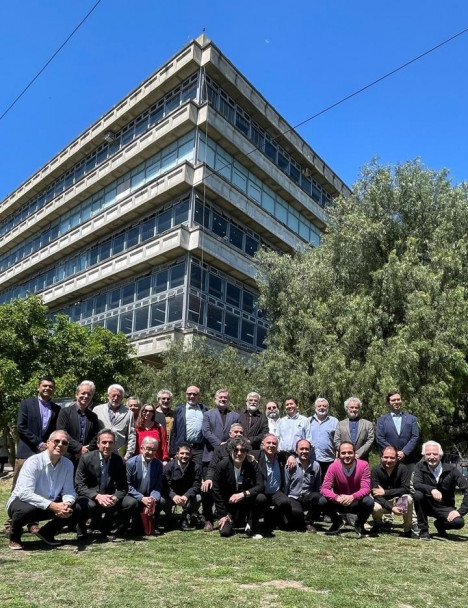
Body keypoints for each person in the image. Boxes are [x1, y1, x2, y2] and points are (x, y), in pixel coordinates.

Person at [6, 430, 78, 550]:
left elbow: (69, 490)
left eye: (64, 442)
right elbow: (25, 493)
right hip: (23, 502)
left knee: (76, 507)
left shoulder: (68, 464)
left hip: (49, 503)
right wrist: (52, 505)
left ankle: (47, 532)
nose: (60, 444)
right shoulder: (33, 462)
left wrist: (66, 504)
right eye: (56, 441)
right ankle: (15, 536)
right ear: (48, 443)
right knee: (25, 510)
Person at [74, 429, 138, 540]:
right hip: (91, 496)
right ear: (98, 444)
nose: (107, 446)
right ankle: (81, 527)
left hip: (109, 496)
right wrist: (97, 496)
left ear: (114, 444)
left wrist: (115, 498)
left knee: (131, 503)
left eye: (110, 442)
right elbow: (79, 485)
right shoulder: (85, 459)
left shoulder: (119, 461)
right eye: (104, 442)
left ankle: (105, 527)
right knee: (90, 505)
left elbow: (123, 487)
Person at [201, 389, 240, 531]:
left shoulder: (235, 415)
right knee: (207, 489)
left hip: (229, 458)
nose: (223, 399)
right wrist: (220, 444)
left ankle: (223, 516)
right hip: (210, 456)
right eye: (220, 397)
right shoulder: (208, 414)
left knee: (224, 489)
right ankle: (208, 519)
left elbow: (237, 432)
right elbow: (206, 432)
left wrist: (229, 445)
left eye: (225, 397)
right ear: (215, 399)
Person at [413, 441, 468, 540]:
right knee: (417, 495)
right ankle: (423, 530)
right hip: (427, 504)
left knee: (458, 522)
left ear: (440, 455)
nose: (431, 457)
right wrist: (432, 490)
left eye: (435, 454)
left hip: (444, 506)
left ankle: (440, 525)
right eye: (428, 454)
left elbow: (466, 488)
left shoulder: (451, 470)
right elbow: (416, 484)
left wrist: (460, 511)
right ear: (424, 455)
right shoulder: (419, 466)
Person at [14, 375, 60, 488]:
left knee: (40, 486)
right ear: (38, 387)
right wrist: (38, 443)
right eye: (44, 386)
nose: (47, 388)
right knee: (19, 485)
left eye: (50, 387)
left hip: (45, 454)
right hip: (26, 452)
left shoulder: (57, 409)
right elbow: (21, 426)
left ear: (53, 390)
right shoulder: (27, 404)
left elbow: (56, 431)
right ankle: (14, 505)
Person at [212, 436, 264, 538]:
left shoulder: (252, 464)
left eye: (242, 450)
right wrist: (223, 514)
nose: (239, 453)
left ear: (247, 452)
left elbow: (260, 485)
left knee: (261, 498)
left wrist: (243, 494)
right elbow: (216, 490)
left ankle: (250, 523)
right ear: (231, 450)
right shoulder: (222, 465)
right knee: (225, 533)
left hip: (246, 504)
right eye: (236, 450)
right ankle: (233, 520)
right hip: (228, 506)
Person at [320, 441, 374, 537]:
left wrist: (353, 496)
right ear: (339, 454)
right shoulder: (333, 467)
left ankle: (359, 524)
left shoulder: (364, 465)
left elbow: (366, 488)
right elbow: (324, 489)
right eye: (343, 453)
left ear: (354, 454)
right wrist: (336, 497)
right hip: (339, 501)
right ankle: (337, 522)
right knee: (322, 501)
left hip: (356, 501)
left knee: (369, 502)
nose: (347, 455)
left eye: (350, 452)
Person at [370, 445, 416, 538]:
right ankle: (378, 524)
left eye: (392, 458)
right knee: (375, 507)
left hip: (398, 501)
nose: (389, 460)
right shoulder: (375, 470)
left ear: (396, 458)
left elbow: (405, 489)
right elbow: (376, 494)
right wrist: (391, 508)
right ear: (381, 457)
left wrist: (385, 492)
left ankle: (407, 529)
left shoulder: (403, 469)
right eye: (386, 457)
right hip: (381, 502)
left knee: (408, 499)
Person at [254, 434, 293, 530]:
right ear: (263, 445)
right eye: (268, 443)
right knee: (260, 499)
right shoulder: (256, 455)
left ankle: (274, 516)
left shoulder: (280, 456)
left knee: (285, 502)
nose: (271, 445)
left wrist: (291, 457)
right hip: (261, 491)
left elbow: (288, 454)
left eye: (274, 443)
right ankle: (255, 520)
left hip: (276, 492)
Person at [56, 380, 99, 467]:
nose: (86, 396)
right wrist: (79, 449)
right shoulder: (65, 412)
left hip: (86, 457)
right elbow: (62, 432)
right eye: (83, 393)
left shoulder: (93, 416)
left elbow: (96, 436)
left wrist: (85, 450)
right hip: (67, 455)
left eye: (89, 394)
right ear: (76, 394)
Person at [126, 437, 163, 535]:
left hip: (149, 495)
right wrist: (142, 498)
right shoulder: (131, 463)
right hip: (134, 495)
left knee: (161, 500)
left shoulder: (158, 464)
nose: (151, 452)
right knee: (132, 503)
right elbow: (127, 486)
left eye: (154, 450)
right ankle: (125, 525)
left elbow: (158, 485)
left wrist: (152, 499)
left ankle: (154, 523)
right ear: (142, 448)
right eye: (148, 449)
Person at [162, 442, 202, 530]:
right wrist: (173, 496)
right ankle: (169, 516)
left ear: (191, 455)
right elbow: (165, 486)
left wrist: (186, 496)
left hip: (187, 495)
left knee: (198, 498)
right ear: (177, 454)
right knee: (162, 500)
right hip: (172, 495)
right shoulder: (169, 466)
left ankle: (186, 515)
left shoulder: (196, 467)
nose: (184, 456)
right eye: (182, 453)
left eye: (187, 454)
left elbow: (196, 485)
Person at [285, 439, 321, 532]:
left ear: (310, 450)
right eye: (301, 449)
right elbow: (286, 485)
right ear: (296, 451)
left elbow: (318, 487)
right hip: (293, 497)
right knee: (297, 516)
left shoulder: (316, 466)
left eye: (306, 449)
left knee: (318, 496)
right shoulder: (290, 464)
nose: (304, 451)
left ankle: (308, 522)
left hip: (307, 497)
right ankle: (298, 520)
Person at [376, 391, 420, 468]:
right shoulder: (381, 420)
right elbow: (379, 438)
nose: (396, 402)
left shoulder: (411, 419)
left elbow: (415, 437)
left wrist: (404, 452)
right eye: (393, 400)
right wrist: (393, 453)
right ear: (388, 403)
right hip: (389, 460)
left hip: (408, 459)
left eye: (398, 399)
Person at [93, 384, 136, 460]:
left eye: (118, 396)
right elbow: (92, 432)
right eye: (113, 395)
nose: (115, 398)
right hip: (100, 453)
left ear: (122, 398)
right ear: (108, 396)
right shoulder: (97, 410)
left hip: (119, 455)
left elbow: (131, 435)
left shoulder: (128, 413)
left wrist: (128, 454)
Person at [169, 385, 208, 465]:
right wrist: (173, 451)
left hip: (199, 449)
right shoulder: (179, 410)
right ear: (186, 395)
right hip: (182, 447)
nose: (192, 396)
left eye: (194, 394)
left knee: (197, 472)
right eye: (189, 394)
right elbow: (174, 431)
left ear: (198, 396)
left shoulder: (205, 409)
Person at [308, 397, 338, 478]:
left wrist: (337, 457)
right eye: (319, 406)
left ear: (327, 408)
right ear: (315, 408)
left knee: (328, 483)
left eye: (324, 406)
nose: (322, 408)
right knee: (313, 483)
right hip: (312, 458)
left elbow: (338, 440)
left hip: (329, 459)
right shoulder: (308, 421)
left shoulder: (334, 421)